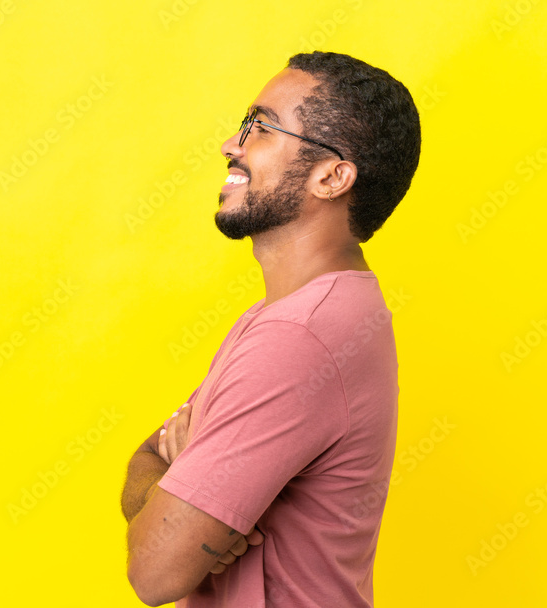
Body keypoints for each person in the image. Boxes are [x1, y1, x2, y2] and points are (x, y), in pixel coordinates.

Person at [120, 51, 422, 607]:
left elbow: (154, 572)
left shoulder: (298, 338)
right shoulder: (292, 316)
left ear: (332, 176)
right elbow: (149, 454)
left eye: (261, 127)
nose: (231, 146)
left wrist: (179, 494)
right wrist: (181, 484)